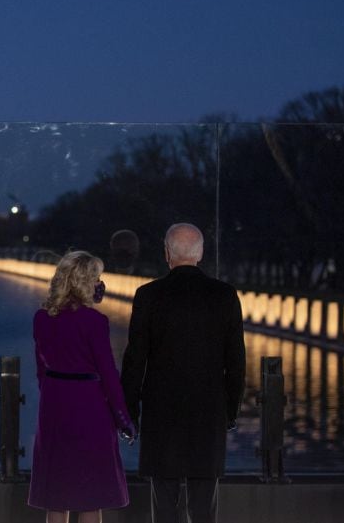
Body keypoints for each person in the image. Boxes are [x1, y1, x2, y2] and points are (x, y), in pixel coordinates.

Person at [120, 223, 246, 523]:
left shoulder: (148, 295)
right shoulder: (225, 295)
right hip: (208, 412)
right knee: (204, 508)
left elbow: (135, 359)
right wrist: (230, 411)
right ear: (200, 253)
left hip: (162, 413)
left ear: (167, 253)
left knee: (164, 507)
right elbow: (236, 362)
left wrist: (130, 412)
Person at [28, 251, 135, 523]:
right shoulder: (95, 321)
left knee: (57, 493)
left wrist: (53, 395)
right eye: (97, 277)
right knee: (91, 494)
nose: (100, 283)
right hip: (90, 408)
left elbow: (41, 369)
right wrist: (123, 419)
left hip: (54, 407)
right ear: (86, 281)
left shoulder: (42, 318)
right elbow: (109, 374)